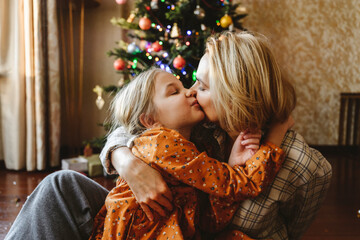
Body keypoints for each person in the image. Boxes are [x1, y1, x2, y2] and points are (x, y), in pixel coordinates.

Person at [4, 31, 331, 240]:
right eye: (190, 85)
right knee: (59, 186)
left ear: (236, 93)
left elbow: (291, 230)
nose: (192, 92)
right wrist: (130, 163)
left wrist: (271, 142)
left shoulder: (307, 167)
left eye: (202, 86)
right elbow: (135, 129)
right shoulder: (203, 123)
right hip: (148, 225)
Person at [89, 68, 288, 240]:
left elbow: (209, 221)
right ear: (150, 121)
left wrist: (232, 164)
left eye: (185, 86)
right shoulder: (161, 143)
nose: (190, 91)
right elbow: (239, 184)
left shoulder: (194, 147)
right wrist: (273, 141)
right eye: (174, 92)